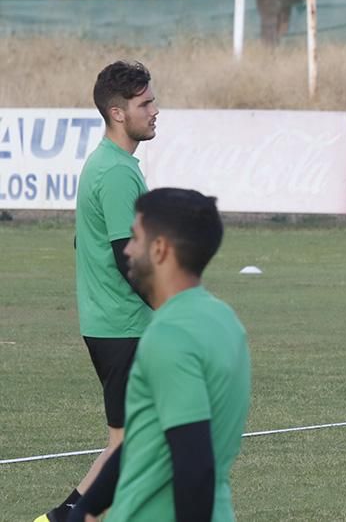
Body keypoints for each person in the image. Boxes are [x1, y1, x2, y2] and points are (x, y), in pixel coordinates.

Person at [69, 188, 252, 521]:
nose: (127, 249)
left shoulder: (170, 336)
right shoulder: (224, 320)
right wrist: (87, 507)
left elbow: (194, 466)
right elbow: (144, 438)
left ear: (160, 249)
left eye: (135, 237)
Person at [38, 61, 158, 522]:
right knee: (135, 446)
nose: (155, 110)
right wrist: (175, 307)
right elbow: (128, 258)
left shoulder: (112, 165)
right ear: (118, 113)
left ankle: (62, 518)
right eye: (144, 103)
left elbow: (86, 241)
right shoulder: (114, 172)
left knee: (128, 443)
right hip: (123, 327)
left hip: (112, 324)